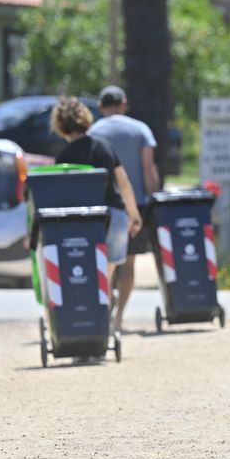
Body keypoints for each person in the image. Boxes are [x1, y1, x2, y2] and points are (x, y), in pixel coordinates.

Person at [51, 96, 143, 330]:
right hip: (113, 218)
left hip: (81, 223)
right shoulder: (103, 147)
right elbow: (124, 184)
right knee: (106, 276)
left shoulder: (64, 157)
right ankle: (110, 323)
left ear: (60, 125)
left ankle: (89, 325)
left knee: (86, 275)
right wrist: (134, 215)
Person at [88, 86, 160, 333]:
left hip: (102, 205)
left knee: (105, 264)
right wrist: (152, 199)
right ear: (124, 104)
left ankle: (104, 312)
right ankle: (118, 318)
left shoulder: (93, 132)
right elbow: (148, 168)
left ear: (100, 107)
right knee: (128, 263)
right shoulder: (140, 129)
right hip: (134, 206)